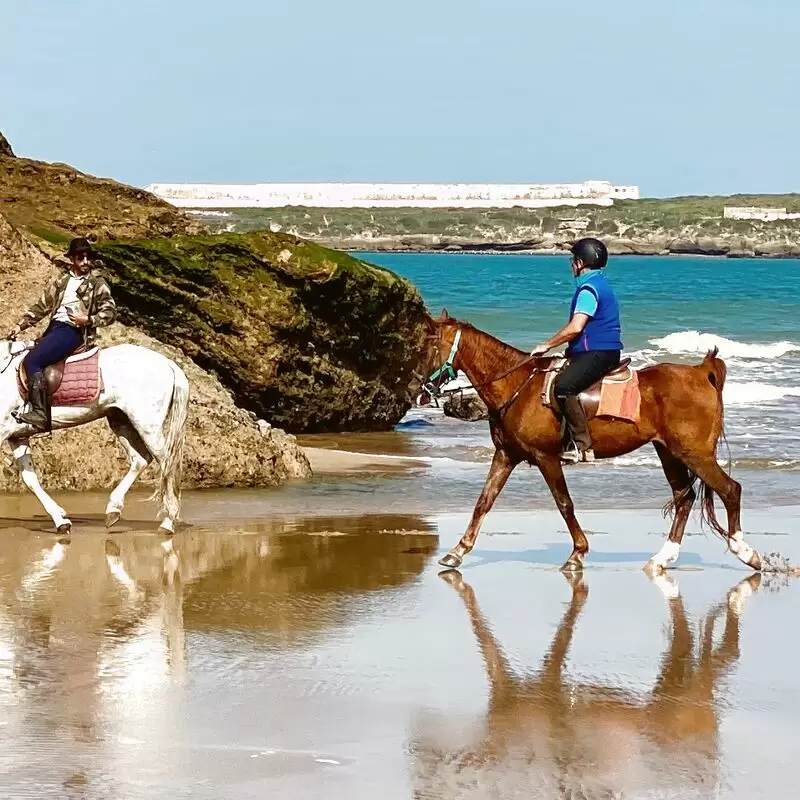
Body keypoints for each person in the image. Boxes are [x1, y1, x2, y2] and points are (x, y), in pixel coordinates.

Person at [8, 237, 117, 431]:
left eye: (88, 257)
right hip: (55, 329)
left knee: (31, 361)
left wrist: (88, 320)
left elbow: (110, 313)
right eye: (80, 257)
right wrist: (20, 326)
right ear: (72, 260)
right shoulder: (62, 281)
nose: (85, 262)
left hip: (73, 331)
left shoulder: (96, 283)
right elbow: (41, 307)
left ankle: (40, 414)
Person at [529, 237, 622, 464]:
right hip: (597, 350)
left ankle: (582, 446)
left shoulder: (588, 289)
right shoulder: (600, 282)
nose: (571, 264)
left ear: (581, 263)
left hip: (599, 352)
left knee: (564, 386)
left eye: (573, 260)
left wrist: (547, 345)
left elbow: (576, 327)